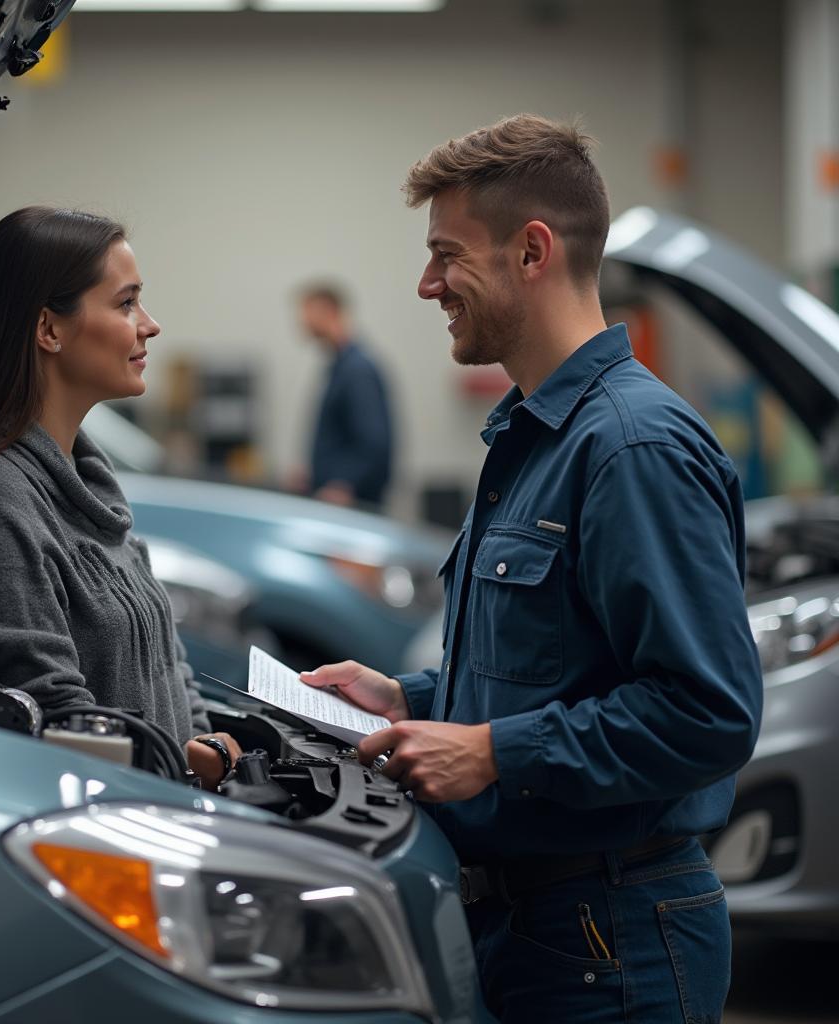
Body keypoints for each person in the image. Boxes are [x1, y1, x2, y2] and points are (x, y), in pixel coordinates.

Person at [300, 116, 762, 1022]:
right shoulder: (532, 436)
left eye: (446, 254)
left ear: (532, 251)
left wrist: (490, 753)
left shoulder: (631, 449)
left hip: (612, 940)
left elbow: (709, 712)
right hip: (536, 926)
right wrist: (415, 702)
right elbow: (554, 668)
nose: (427, 284)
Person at [0, 207, 240, 790]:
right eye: (126, 304)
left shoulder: (92, 490)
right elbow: (58, 721)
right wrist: (192, 762)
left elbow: (170, 668)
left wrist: (201, 748)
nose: (150, 325)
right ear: (49, 329)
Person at [292, 283, 393, 508]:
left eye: (307, 312)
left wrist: (345, 483)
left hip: (354, 504)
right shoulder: (339, 367)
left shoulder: (356, 369)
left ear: (329, 311)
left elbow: (374, 441)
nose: (302, 322)